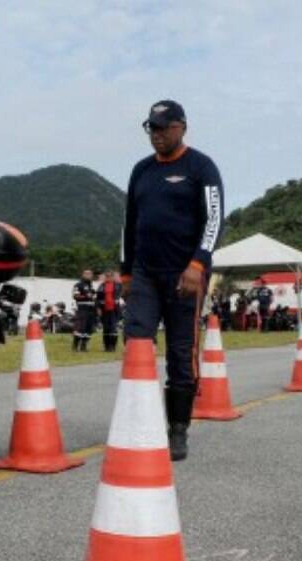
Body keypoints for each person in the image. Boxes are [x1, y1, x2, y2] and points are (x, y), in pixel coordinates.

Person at [120, 99, 224, 461]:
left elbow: (214, 219)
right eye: (152, 127)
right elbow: (130, 223)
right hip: (145, 273)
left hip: (186, 274)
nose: (157, 134)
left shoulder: (201, 167)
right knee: (136, 341)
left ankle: (177, 429)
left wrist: (199, 263)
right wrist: (126, 270)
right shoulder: (141, 171)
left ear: (182, 127)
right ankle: (139, 420)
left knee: (181, 352)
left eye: (164, 127)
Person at [96, 270, 123, 352]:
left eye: (110, 276)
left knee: (113, 328)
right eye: (106, 276)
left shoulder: (118, 285)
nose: (108, 278)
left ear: (112, 277)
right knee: (106, 328)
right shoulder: (101, 286)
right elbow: (97, 298)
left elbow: (122, 294)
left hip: (114, 310)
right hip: (104, 310)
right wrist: (98, 308)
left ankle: (113, 346)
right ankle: (106, 346)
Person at [71, 269, 97, 351]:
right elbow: (75, 296)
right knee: (80, 327)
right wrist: (87, 296)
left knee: (89, 328)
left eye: (90, 274)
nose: (89, 275)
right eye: (87, 274)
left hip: (91, 309)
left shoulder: (91, 286)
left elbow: (94, 297)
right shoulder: (78, 285)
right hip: (82, 308)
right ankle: (75, 346)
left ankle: (84, 346)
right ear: (83, 275)